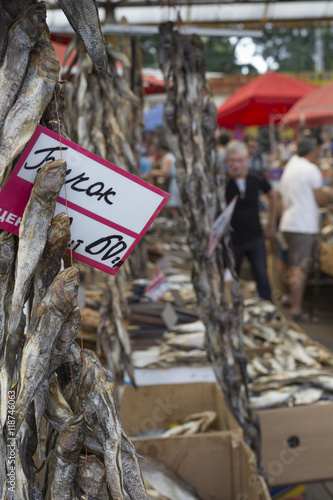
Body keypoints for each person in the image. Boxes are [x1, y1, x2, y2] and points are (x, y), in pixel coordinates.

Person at [279, 134, 333, 322]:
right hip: (302, 225)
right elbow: (320, 198)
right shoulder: (310, 169)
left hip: (289, 222)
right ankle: (296, 309)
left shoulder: (291, 166)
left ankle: (291, 300)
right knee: (300, 268)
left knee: (291, 264)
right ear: (313, 150)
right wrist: (328, 194)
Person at [225, 140, 278, 301]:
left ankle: (268, 307)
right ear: (227, 161)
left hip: (255, 235)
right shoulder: (223, 181)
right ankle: (232, 306)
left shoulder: (255, 176)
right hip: (233, 239)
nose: (236, 165)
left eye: (240, 160)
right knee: (231, 276)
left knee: (262, 275)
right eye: (232, 161)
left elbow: (273, 195)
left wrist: (271, 224)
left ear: (246, 159)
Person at [151, 143, 182, 219]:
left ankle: (175, 221)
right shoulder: (172, 156)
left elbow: (165, 171)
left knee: (171, 206)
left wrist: (153, 172)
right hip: (176, 181)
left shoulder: (166, 158)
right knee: (175, 206)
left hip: (171, 183)